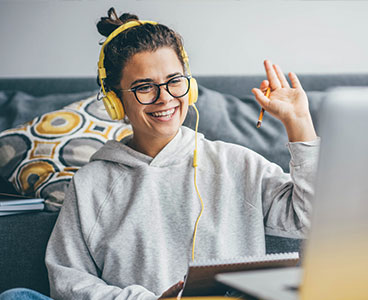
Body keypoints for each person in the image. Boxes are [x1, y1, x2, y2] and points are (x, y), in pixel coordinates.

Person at [0, 7, 319, 300]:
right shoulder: (91, 183)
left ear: (190, 85)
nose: (164, 98)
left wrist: (299, 123)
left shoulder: (239, 163)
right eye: (144, 87)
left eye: (173, 81)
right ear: (115, 102)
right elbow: (68, 281)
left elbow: (309, 219)